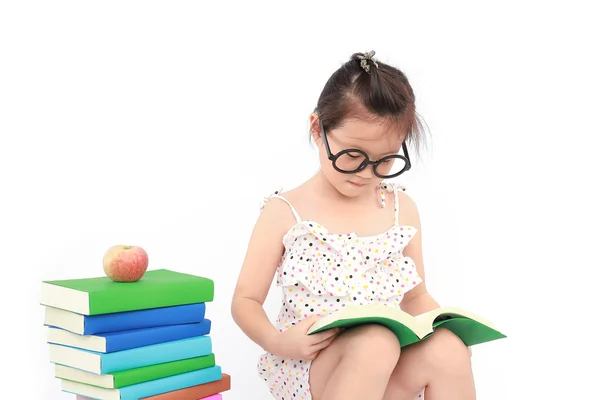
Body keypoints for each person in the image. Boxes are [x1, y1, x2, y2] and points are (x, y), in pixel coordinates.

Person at [231, 51, 474, 400]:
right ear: (318, 129)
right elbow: (245, 300)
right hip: (311, 362)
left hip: (384, 362)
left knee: (448, 347)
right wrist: (278, 340)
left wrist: (448, 328)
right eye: (352, 156)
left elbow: (416, 297)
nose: (366, 174)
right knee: (376, 341)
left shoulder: (400, 208)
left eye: (385, 161)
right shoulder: (285, 211)